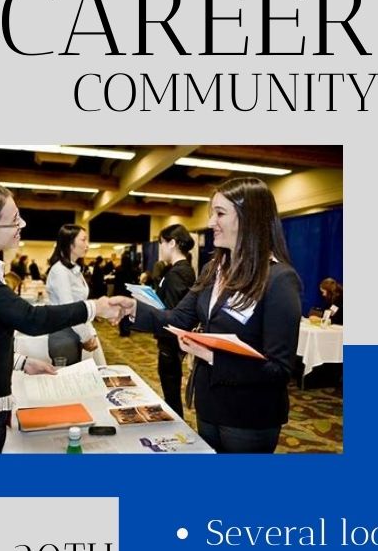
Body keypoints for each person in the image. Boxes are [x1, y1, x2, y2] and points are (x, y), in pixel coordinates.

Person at [0, 182, 132, 453]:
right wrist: (96, 307)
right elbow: (30, 319)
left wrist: (22, 362)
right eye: (14, 220)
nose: (22, 223)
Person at [125, 177, 301, 453]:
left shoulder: (278, 280)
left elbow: (279, 369)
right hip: (208, 404)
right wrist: (132, 309)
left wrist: (211, 355)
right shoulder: (213, 271)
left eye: (220, 213)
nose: (210, 222)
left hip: (249, 415)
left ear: (248, 218)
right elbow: (178, 318)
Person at [152, 223, 197, 417]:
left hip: (170, 342)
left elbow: (173, 312)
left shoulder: (177, 272)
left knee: (171, 393)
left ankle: (177, 431)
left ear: (172, 243)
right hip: (173, 342)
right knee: (171, 389)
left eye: (161, 243)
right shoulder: (180, 270)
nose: (160, 248)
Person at [45, 223, 100, 365]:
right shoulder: (60, 271)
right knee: (68, 382)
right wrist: (86, 337)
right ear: (70, 243)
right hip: (64, 334)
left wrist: (88, 333)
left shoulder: (73, 269)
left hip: (77, 330)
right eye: (83, 240)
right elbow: (69, 309)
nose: (87, 245)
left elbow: (80, 306)